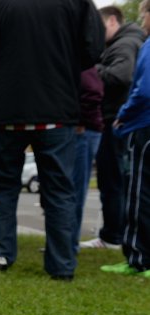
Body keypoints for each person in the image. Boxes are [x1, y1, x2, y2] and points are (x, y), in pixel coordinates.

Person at [0, 0, 105, 280]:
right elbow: (93, 49)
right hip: (57, 108)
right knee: (59, 190)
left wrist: (9, 55)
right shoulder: (77, 3)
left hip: (8, 110)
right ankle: (62, 265)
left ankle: (2, 254)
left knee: (3, 188)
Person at [81, 6, 146, 250]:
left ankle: (112, 236)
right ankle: (116, 234)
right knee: (118, 180)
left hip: (116, 120)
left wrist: (91, 70)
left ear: (111, 21)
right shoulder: (127, 42)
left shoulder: (125, 44)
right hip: (120, 120)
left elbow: (122, 75)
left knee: (113, 181)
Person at [102, 0, 150, 277]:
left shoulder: (146, 46)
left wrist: (123, 114)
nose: (142, 22)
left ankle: (138, 258)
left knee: (139, 193)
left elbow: (143, 91)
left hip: (143, 126)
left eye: (144, 15)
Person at [71, 67, 104, 254]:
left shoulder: (83, 64)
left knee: (75, 189)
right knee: (72, 188)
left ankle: (69, 243)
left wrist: (80, 121)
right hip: (81, 127)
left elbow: (92, 92)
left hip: (83, 130)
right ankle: (66, 242)